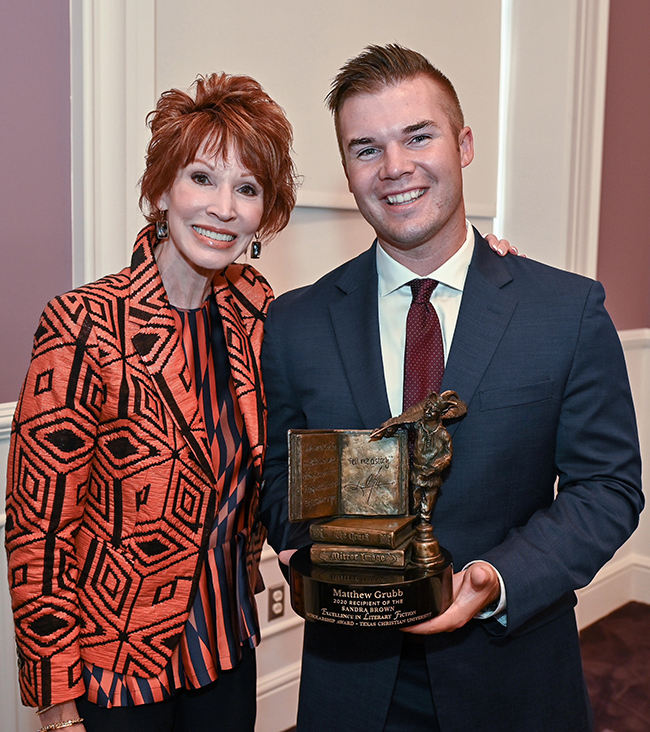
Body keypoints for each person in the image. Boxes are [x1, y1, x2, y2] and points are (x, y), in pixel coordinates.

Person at [259, 44, 644, 732]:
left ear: (464, 144)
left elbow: (607, 488)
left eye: (418, 136)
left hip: (513, 672)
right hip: (351, 685)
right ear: (347, 170)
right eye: (365, 148)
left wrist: (497, 579)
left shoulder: (565, 311)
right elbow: (286, 480)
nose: (395, 168)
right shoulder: (296, 321)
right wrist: (298, 547)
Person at [5, 72, 297, 732]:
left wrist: (471, 263)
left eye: (246, 188)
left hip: (226, 649)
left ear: (262, 214)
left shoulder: (260, 314)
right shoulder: (83, 323)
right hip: (116, 669)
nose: (223, 207)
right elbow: (39, 530)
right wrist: (56, 700)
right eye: (202, 177)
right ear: (161, 188)